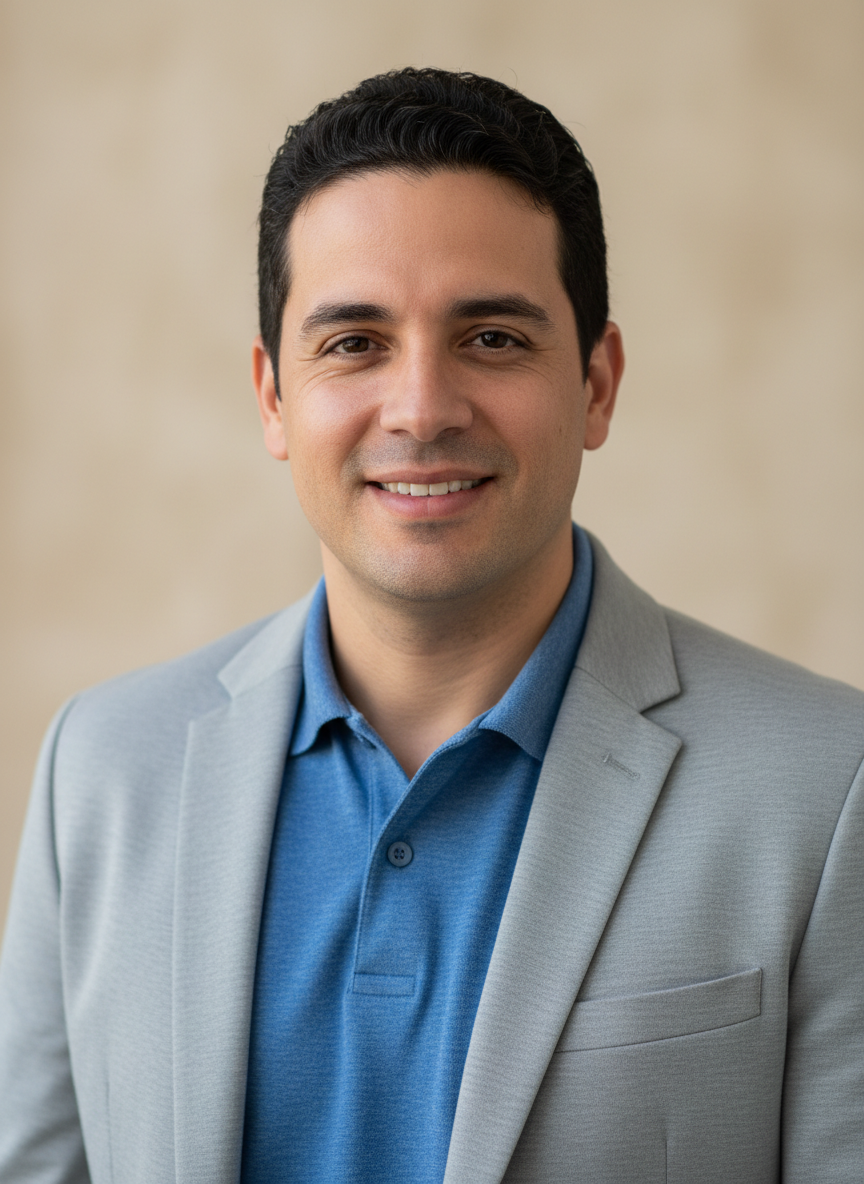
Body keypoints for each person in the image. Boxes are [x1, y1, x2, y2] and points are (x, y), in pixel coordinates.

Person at [0, 68, 861, 1184]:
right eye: (353, 341)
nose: (421, 406)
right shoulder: (101, 771)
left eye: (493, 338)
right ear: (271, 395)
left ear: (597, 382)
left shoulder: (829, 787)